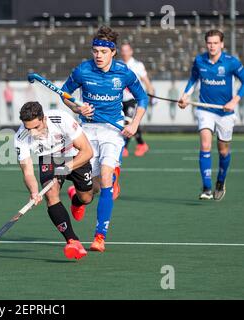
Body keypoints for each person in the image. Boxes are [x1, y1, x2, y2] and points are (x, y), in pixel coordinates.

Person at [61, 26, 148, 252]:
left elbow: (142, 98)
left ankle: (100, 236)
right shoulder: (82, 70)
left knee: (107, 178)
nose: (98, 55)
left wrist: (136, 123)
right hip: (87, 131)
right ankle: (77, 198)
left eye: (103, 51)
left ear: (113, 52)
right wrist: (78, 108)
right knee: (92, 190)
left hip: (112, 131)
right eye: (95, 51)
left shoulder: (124, 72)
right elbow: (65, 95)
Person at [14, 102, 94, 260]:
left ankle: (76, 201)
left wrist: (66, 168)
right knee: (50, 194)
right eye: (28, 128)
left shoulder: (61, 118)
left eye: (36, 127)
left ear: (43, 119)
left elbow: (87, 151)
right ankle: (72, 241)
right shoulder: (21, 137)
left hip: (75, 155)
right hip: (49, 158)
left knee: (86, 198)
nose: (33, 133)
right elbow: (28, 171)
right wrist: (34, 192)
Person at [179, 29, 244, 201]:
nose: (212, 46)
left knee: (223, 151)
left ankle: (220, 182)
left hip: (225, 112)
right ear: (206, 43)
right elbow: (193, 79)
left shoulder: (231, 62)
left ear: (222, 44)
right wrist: (185, 96)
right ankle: (207, 187)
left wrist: (234, 101)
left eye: (215, 43)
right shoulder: (200, 60)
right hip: (205, 109)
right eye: (209, 43)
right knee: (205, 144)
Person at [120, 41, 155, 157]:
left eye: (127, 51)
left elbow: (146, 82)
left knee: (128, 121)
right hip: (120, 99)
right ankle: (141, 144)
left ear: (131, 51)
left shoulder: (137, 65)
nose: (125, 53)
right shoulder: (118, 65)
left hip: (133, 99)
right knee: (132, 122)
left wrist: (152, 94)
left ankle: (124, 147)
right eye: (123, 51)